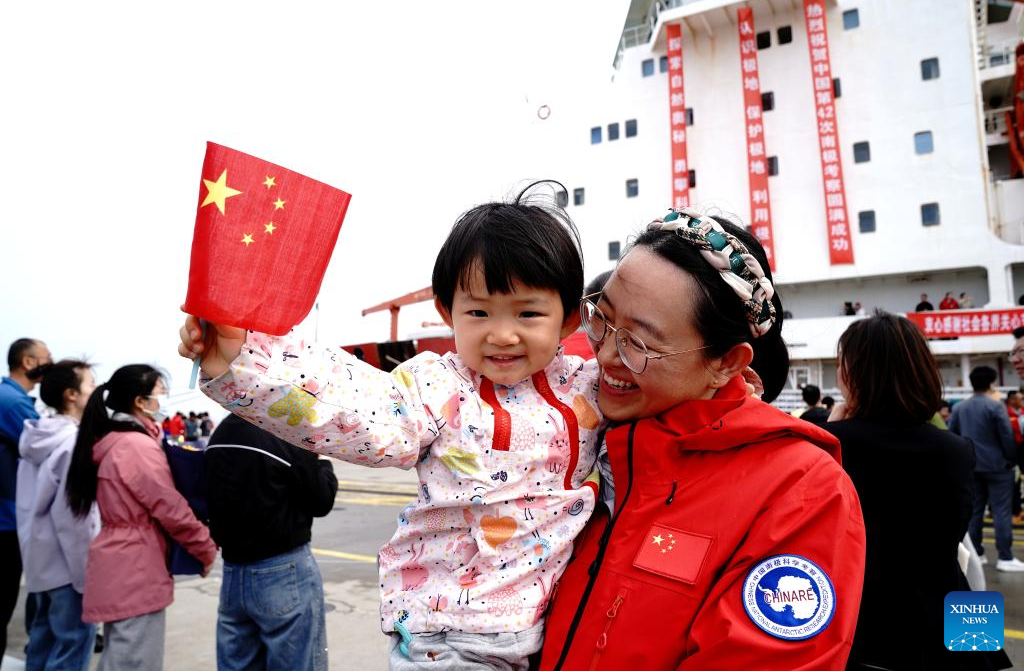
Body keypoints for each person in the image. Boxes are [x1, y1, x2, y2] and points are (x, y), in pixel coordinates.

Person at [180, 183, 605, 670]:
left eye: (528, 313)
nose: (503, 334)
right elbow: (351, 403)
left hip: (554, 624)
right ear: (448, 313)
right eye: (478, 312)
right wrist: (243, 356)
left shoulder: (592, 387)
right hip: (451, 636)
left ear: (567, 319)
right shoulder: (437, 387)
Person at [537, 210, 865, 669]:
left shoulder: (802, 491)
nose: (606, 355)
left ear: (726, 363)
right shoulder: (574, 436)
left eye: (639, 343)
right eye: (602, 319)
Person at [822, 312, 1011, 670]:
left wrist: (828, 436)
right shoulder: (956, 450)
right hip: (950, 607)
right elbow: (951, 544)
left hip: (865, 621)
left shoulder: (831, 446)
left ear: (853, 372)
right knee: (984, 662)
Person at [65, 364, 217, 670]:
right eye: (160, 393)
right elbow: (170, 508)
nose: (163, 401)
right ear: (140, 401)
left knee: (122, 656)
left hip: (123, 562)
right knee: (135, 661)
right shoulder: (136, 446)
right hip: (136, 566)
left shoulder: (117, 440)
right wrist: (205, 547)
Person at [205, 414, 337, 671]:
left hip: (232, 570)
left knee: (238, 662)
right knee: (297, 662)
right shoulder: (284, 432)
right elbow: (321, 500)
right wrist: (324, 461)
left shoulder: (220, 433)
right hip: (283, 568)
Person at [16, 360, 100, 671]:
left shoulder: (37, 435)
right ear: (71, 394)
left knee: (42, 643)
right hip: (67, 568)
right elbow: (74, 519)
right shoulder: (73, 443)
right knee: (72, 647)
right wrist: (85, 576)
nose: (96, 390)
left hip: (39, 562)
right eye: (90, 384)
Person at [1, 337, 51, 655]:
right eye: (47, 358)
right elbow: (46, 449)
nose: (51, 365)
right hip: (5, 522)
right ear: (28, 362)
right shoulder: (12, 403)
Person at [950, 366, 1024, 571]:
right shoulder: (996, 406)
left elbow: (953, 435)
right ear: (992, 384)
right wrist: (1011, 460)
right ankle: (1005, 556)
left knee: (974, 511)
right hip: (998, 466)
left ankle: (977, 554)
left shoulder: (960, 408)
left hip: (971, 466)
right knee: (1001, 511)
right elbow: (1006, 436)